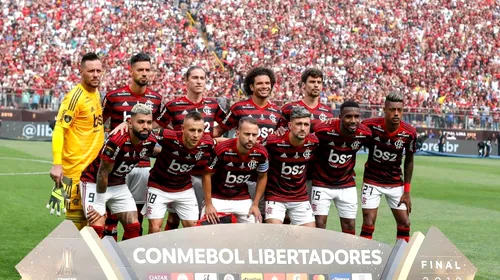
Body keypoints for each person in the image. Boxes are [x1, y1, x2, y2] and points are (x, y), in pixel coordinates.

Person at [154, 66, 227, 231]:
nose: (199, 81)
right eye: (195, 78)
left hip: (205, 171)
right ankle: (170, 251)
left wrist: (211, 137)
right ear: (186, 81)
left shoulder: (213, 105)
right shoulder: (174, 105)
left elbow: (226, 125)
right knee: (174, 216)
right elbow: (156, 127)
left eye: (202, 78)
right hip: (180, 173)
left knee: (201, 216)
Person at [101, 53, 163, 239]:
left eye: (147, 70)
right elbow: (99, 125)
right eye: (140, 70)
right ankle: (108, 258)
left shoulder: (156, 99)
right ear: (131, 71)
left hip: (142, 165)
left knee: (136, 219)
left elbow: (158, 125)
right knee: (110, 217)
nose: (144, 73)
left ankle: (129, 259)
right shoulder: (113, 97)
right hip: (116, 165)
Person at [80, 103, 157, 239]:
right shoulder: (117, 140)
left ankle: (125, 258)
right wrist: (99, 203)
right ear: (130, 123)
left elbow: (164, 147)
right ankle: (92, 259)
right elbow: (102, 172)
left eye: (149, 122)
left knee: (134, 225)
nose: (146, 126)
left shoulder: (149, 140)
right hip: (93, 182)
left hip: (118, 184)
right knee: (97, 224)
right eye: (141, 122)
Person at [48, 53, 105, 230]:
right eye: (91, 71)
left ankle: (85, 256)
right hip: (76, 171)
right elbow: (59, 129)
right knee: (76, 221)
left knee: (95, 219)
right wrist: (57, 163)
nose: (95, 74)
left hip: (94, 170)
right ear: (81, 71)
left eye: (98, 70)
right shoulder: (75, 97)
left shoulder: (96, 93)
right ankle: (69, 257)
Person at [217, 66, 282, 217]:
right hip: (240, 174)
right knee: (240, 218)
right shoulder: (239, 108)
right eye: (260, 83)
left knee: (264, 218)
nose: (264, 86)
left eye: (267, 83)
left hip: (267, 174)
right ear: (251, 86)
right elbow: (219, 132)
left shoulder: (277, 112)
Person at [142, 112, 216, 232]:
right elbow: (144, 131)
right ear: (183, 129)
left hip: (184, 189)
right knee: (155, 228)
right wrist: (126, 124)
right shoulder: (168, 136)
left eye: (199, 131)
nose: (196, 135)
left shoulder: (206, 142)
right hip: (158, 187)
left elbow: (223, 143)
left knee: (193, 228)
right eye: (192, 130)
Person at [360, 92, 417, 242]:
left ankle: (402, 259)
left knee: (405, 223)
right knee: (368, 222)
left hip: (395, 182)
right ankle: (363, 259)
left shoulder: (409, 133)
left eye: (400, 110)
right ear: (384, 109)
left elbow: (409, 161)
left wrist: (407, 192)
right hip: (372, 180)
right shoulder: (369, 125)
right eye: (392, 109)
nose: (396, 113)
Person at [311, 101, 372, 234]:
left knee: (350, 225)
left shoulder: (365, 133)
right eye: (348, 116)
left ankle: (348, 254)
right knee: (319, 225)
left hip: (347, 184)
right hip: (321, 183)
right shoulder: (322, 129)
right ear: (340, 117)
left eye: (357, 117)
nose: (353, 120)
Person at [201, 117, 268, 224]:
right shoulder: (222, 150)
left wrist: (255, 204)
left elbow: (263, 176)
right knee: (206, 230)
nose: (250, 138)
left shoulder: (261, 152)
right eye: (247, 134)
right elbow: (206, 175)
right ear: (237, 133)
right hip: (217, 197)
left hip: (242, 197)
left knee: (256, 228)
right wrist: (209, 204)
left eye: (254, 135)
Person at [263, 107, 318, 226]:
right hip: (275, 196)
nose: (303, 128)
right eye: (298, 124)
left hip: (300, 197)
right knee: (274, 233)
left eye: (306, 124)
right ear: (289, 125)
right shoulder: (273, 142)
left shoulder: (314, 142)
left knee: (311, 237)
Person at [278, 68, 334, 132]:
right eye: (312, 82)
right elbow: (279, 134)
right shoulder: (288, 108)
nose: (316, 85)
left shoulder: (328, 111)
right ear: (304, 85)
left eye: (319, 82)